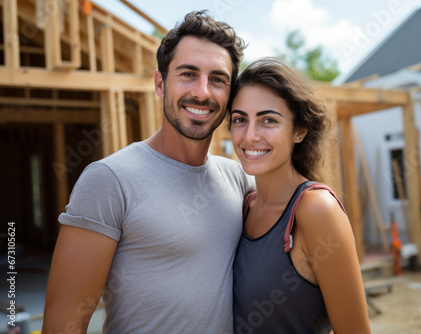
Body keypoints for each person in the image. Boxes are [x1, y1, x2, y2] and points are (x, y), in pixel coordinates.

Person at [42, 11, 253, 334]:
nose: (202, 92)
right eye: (188, 74)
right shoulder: (109, 180)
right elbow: (63, 324)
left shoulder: (239, 179)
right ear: (160, 83)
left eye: (218, 80)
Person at [229, 58, 371, 334]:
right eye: (239, 120)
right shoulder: (245, 206)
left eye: (268, 120)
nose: (250, 135)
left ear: (299, 131)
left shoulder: (316, 210)